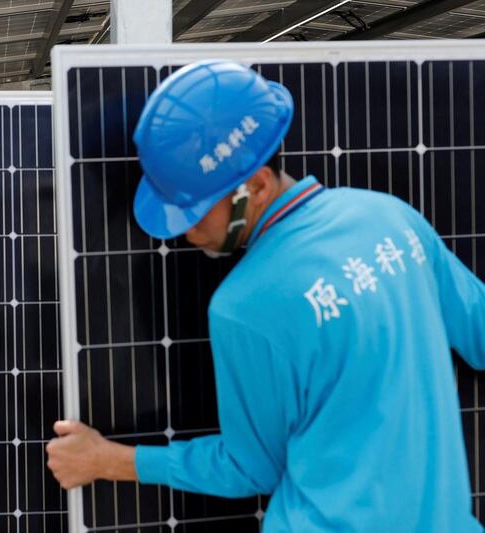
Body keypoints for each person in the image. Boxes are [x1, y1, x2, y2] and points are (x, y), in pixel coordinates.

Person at [45, 60, 485, 532]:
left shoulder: (243, 306)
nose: (185, 233)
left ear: (255, 185)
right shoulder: (393, 218)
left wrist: (107, 460)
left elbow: (251, 467)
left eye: (193, 213)